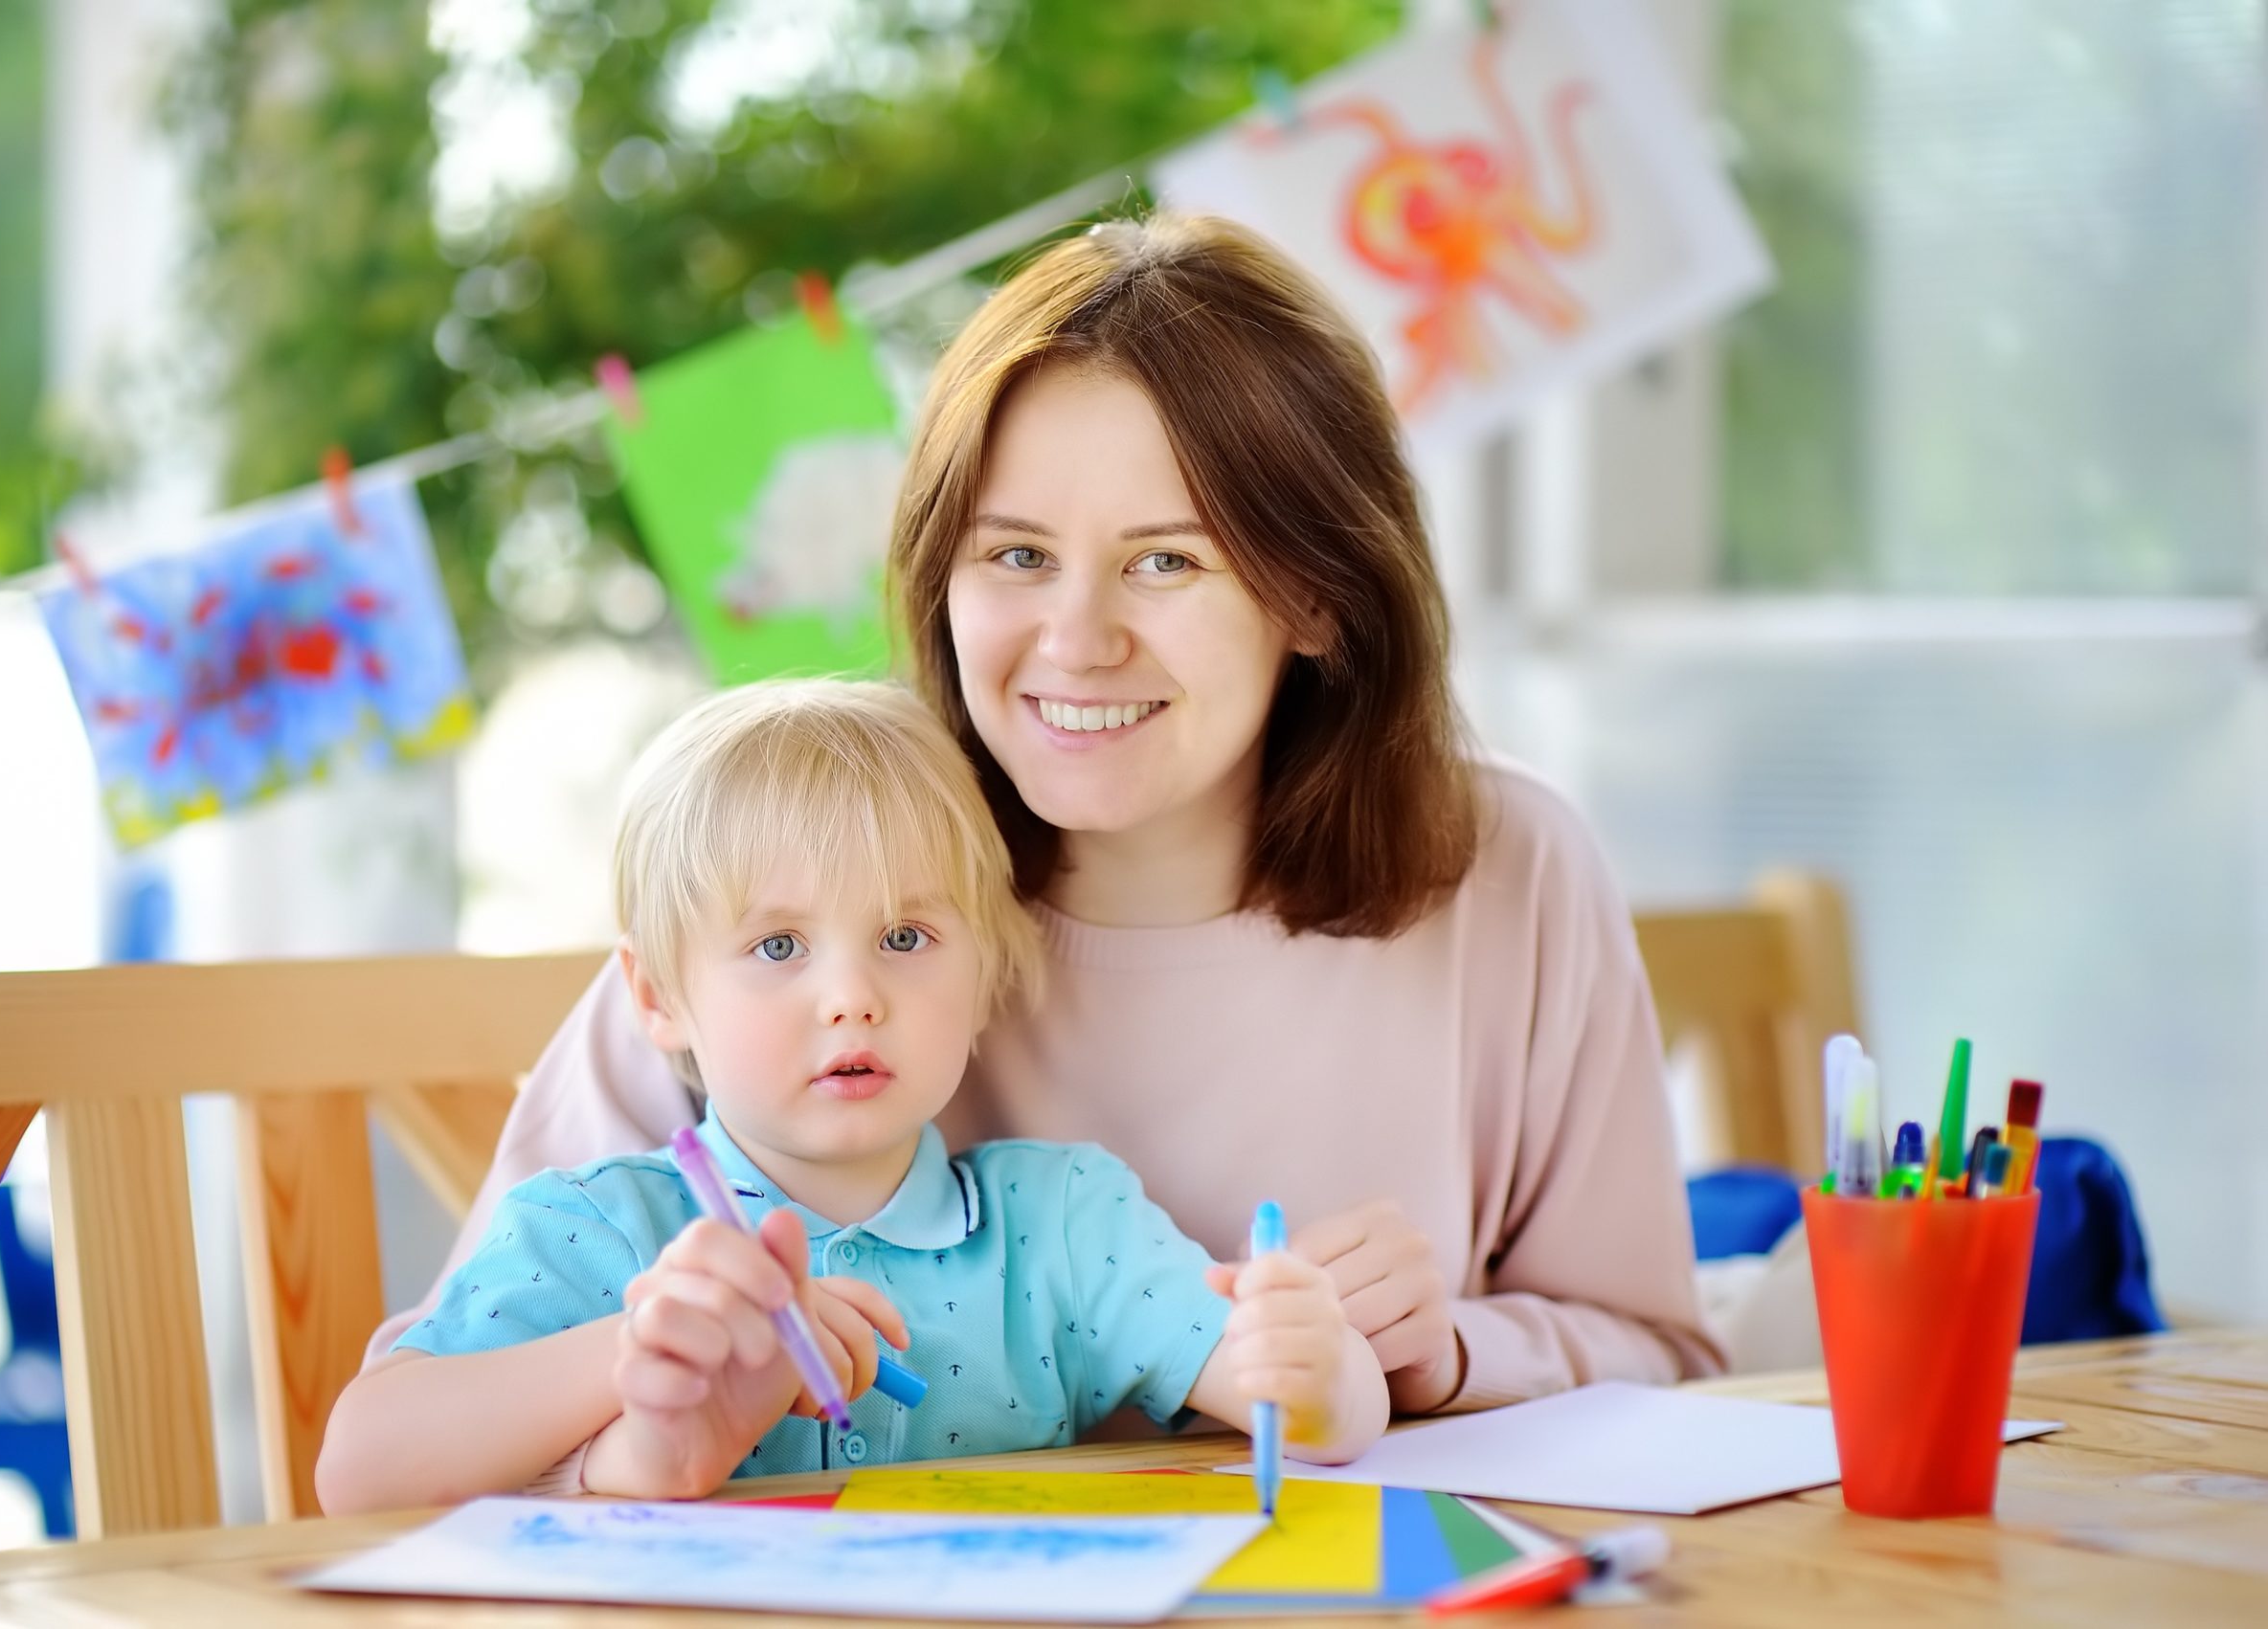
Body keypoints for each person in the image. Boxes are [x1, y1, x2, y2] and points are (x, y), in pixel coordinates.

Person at [363, 212, 1721, 1474]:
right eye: (1013, 557)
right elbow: (434, 1427)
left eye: (1165, 560)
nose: (1075, 640)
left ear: (1315, 590)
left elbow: (1660, 1352)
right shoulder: (814, 865)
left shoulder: (1508, 866)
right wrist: (645, 1397)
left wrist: (1447, 1351)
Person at [316, 681, 1386, 1509]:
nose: (851, 998)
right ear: (656, 997)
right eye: (778, 944)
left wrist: (1317, 1366)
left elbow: (1315, 1416)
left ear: (984, 978)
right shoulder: (599, 1228)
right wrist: (631, 1352)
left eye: (906, 937)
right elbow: (358, 1470)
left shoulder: (1060, 1224)